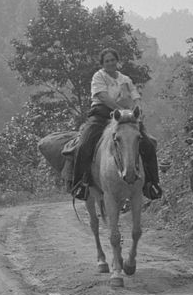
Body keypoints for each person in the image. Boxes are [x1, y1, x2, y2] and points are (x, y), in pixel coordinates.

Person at [70, 48, 163, 201]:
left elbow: (135, 95)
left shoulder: (125, 79)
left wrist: (137, 109)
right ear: (102, 64)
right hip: (101, 115)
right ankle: (81, 183)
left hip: (127, 117)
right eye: (107, 61)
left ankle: (152, 183)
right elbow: (103, 97)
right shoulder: (98, 77)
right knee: (84, 144)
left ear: (117, 61)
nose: (110, 63)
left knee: (148, 144)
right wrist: (120, 109)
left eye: (113, 60)